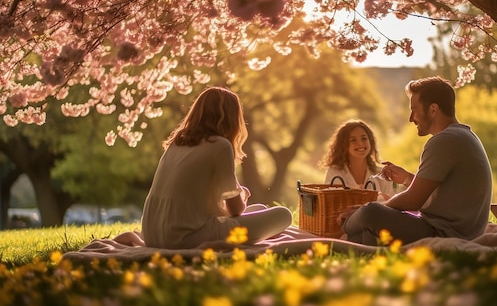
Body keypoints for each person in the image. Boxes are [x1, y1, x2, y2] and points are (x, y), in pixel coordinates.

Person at [341, 76, 493, 246]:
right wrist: (407, 178)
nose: (411, 118)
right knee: (371, 234)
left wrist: (366, 211)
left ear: (433, 109)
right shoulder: (463, 135)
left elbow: (413, 200)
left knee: (371, 212)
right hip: (456, 230)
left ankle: (344, 228)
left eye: (414, 109)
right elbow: (439, 193)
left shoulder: (444, 140)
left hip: (444, 233)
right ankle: (355, 239)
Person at [141, 86, 292, 249]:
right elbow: (235, 210)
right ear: (232, 118)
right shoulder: (220, 145)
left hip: (152, 235)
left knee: (260, 209)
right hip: (184, 238)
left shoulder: (176, 144)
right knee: (283, 215)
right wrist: (242, 195)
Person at [319, 119, 405, 200]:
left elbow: (391, 203)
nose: (360, 143)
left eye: (364, 138)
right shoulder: (335, 172)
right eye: (353, 140)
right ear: (344, 145)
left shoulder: (382, 174)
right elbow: (331, 202)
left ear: (370, 141)